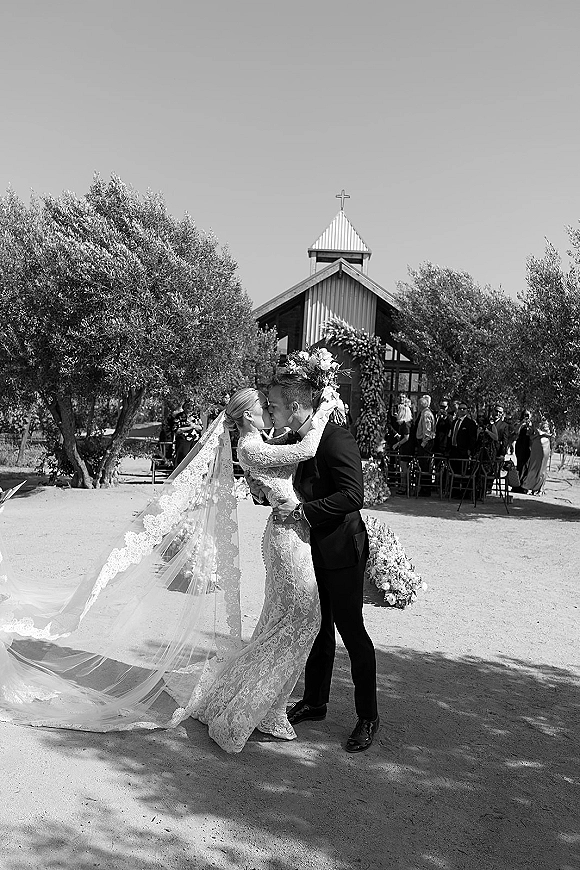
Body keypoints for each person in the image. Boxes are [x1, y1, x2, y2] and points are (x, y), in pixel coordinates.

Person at [189, 386, 336, 752]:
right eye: (263, 407)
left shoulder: (259, 442)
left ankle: (266, 705)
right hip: (287, 536)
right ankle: (253, 707)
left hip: (291, 529)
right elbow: (305, 449)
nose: (270, 411)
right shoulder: (250, 447)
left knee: (280, 620)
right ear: (248, 416)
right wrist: (324, 410)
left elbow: (288, 442)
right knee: (302, 619)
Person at [267, 373, 379, 753]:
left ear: (296, 407)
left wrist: (303, 511)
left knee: (351, 630)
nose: (269, 410)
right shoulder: (295, 442)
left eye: (274, 405)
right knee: (317, 627)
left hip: (342, 549)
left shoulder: (336, 438)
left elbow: (353, 495)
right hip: (309, 549)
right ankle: (315, 702)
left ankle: (368, 716)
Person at [521, 417, 552, 495]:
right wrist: (537, 435)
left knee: (542, 467)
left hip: (545, 445)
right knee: (533, 466)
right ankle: (530, 486)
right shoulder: (533, 425)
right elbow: (530, 436)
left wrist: (542, 433)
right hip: (536, 446)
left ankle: (539, 488)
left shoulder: (550, 424)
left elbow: (552, 434)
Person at [415, 395, 436, 495]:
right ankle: (424, 488)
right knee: (423, 466)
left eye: (419, 404)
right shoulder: (424, 413)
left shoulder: (426, 414)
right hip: (423, 443)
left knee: (425, 467)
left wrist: (423, 444)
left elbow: (428, 431)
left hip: (425, 444)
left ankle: (425, 489)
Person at [514, 411, 533, 480]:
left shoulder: (531, 424)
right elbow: (516, 432)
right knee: (519, 464)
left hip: (528, 445)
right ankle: (517, 483)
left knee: (526, 464)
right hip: (520, 444)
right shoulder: (519, 423)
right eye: (525, 415)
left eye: (528, 415)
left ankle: (524, 484)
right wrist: (522, 423)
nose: (526, 416)